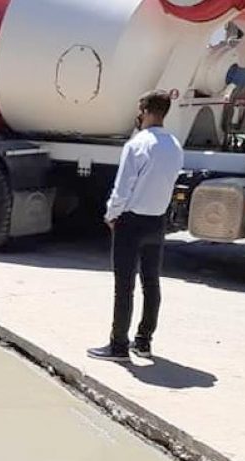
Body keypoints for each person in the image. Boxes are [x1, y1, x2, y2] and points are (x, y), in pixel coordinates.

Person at [88, 91, 184, 362]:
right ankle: (143, 341)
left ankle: (118, 344)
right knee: (151, 283)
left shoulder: (137, 144)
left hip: (131, 221)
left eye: (140, 109)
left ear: (146, 110)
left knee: (124, 285)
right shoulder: (175, 145)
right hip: (157, 220)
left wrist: (111, 214)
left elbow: (122, 188)